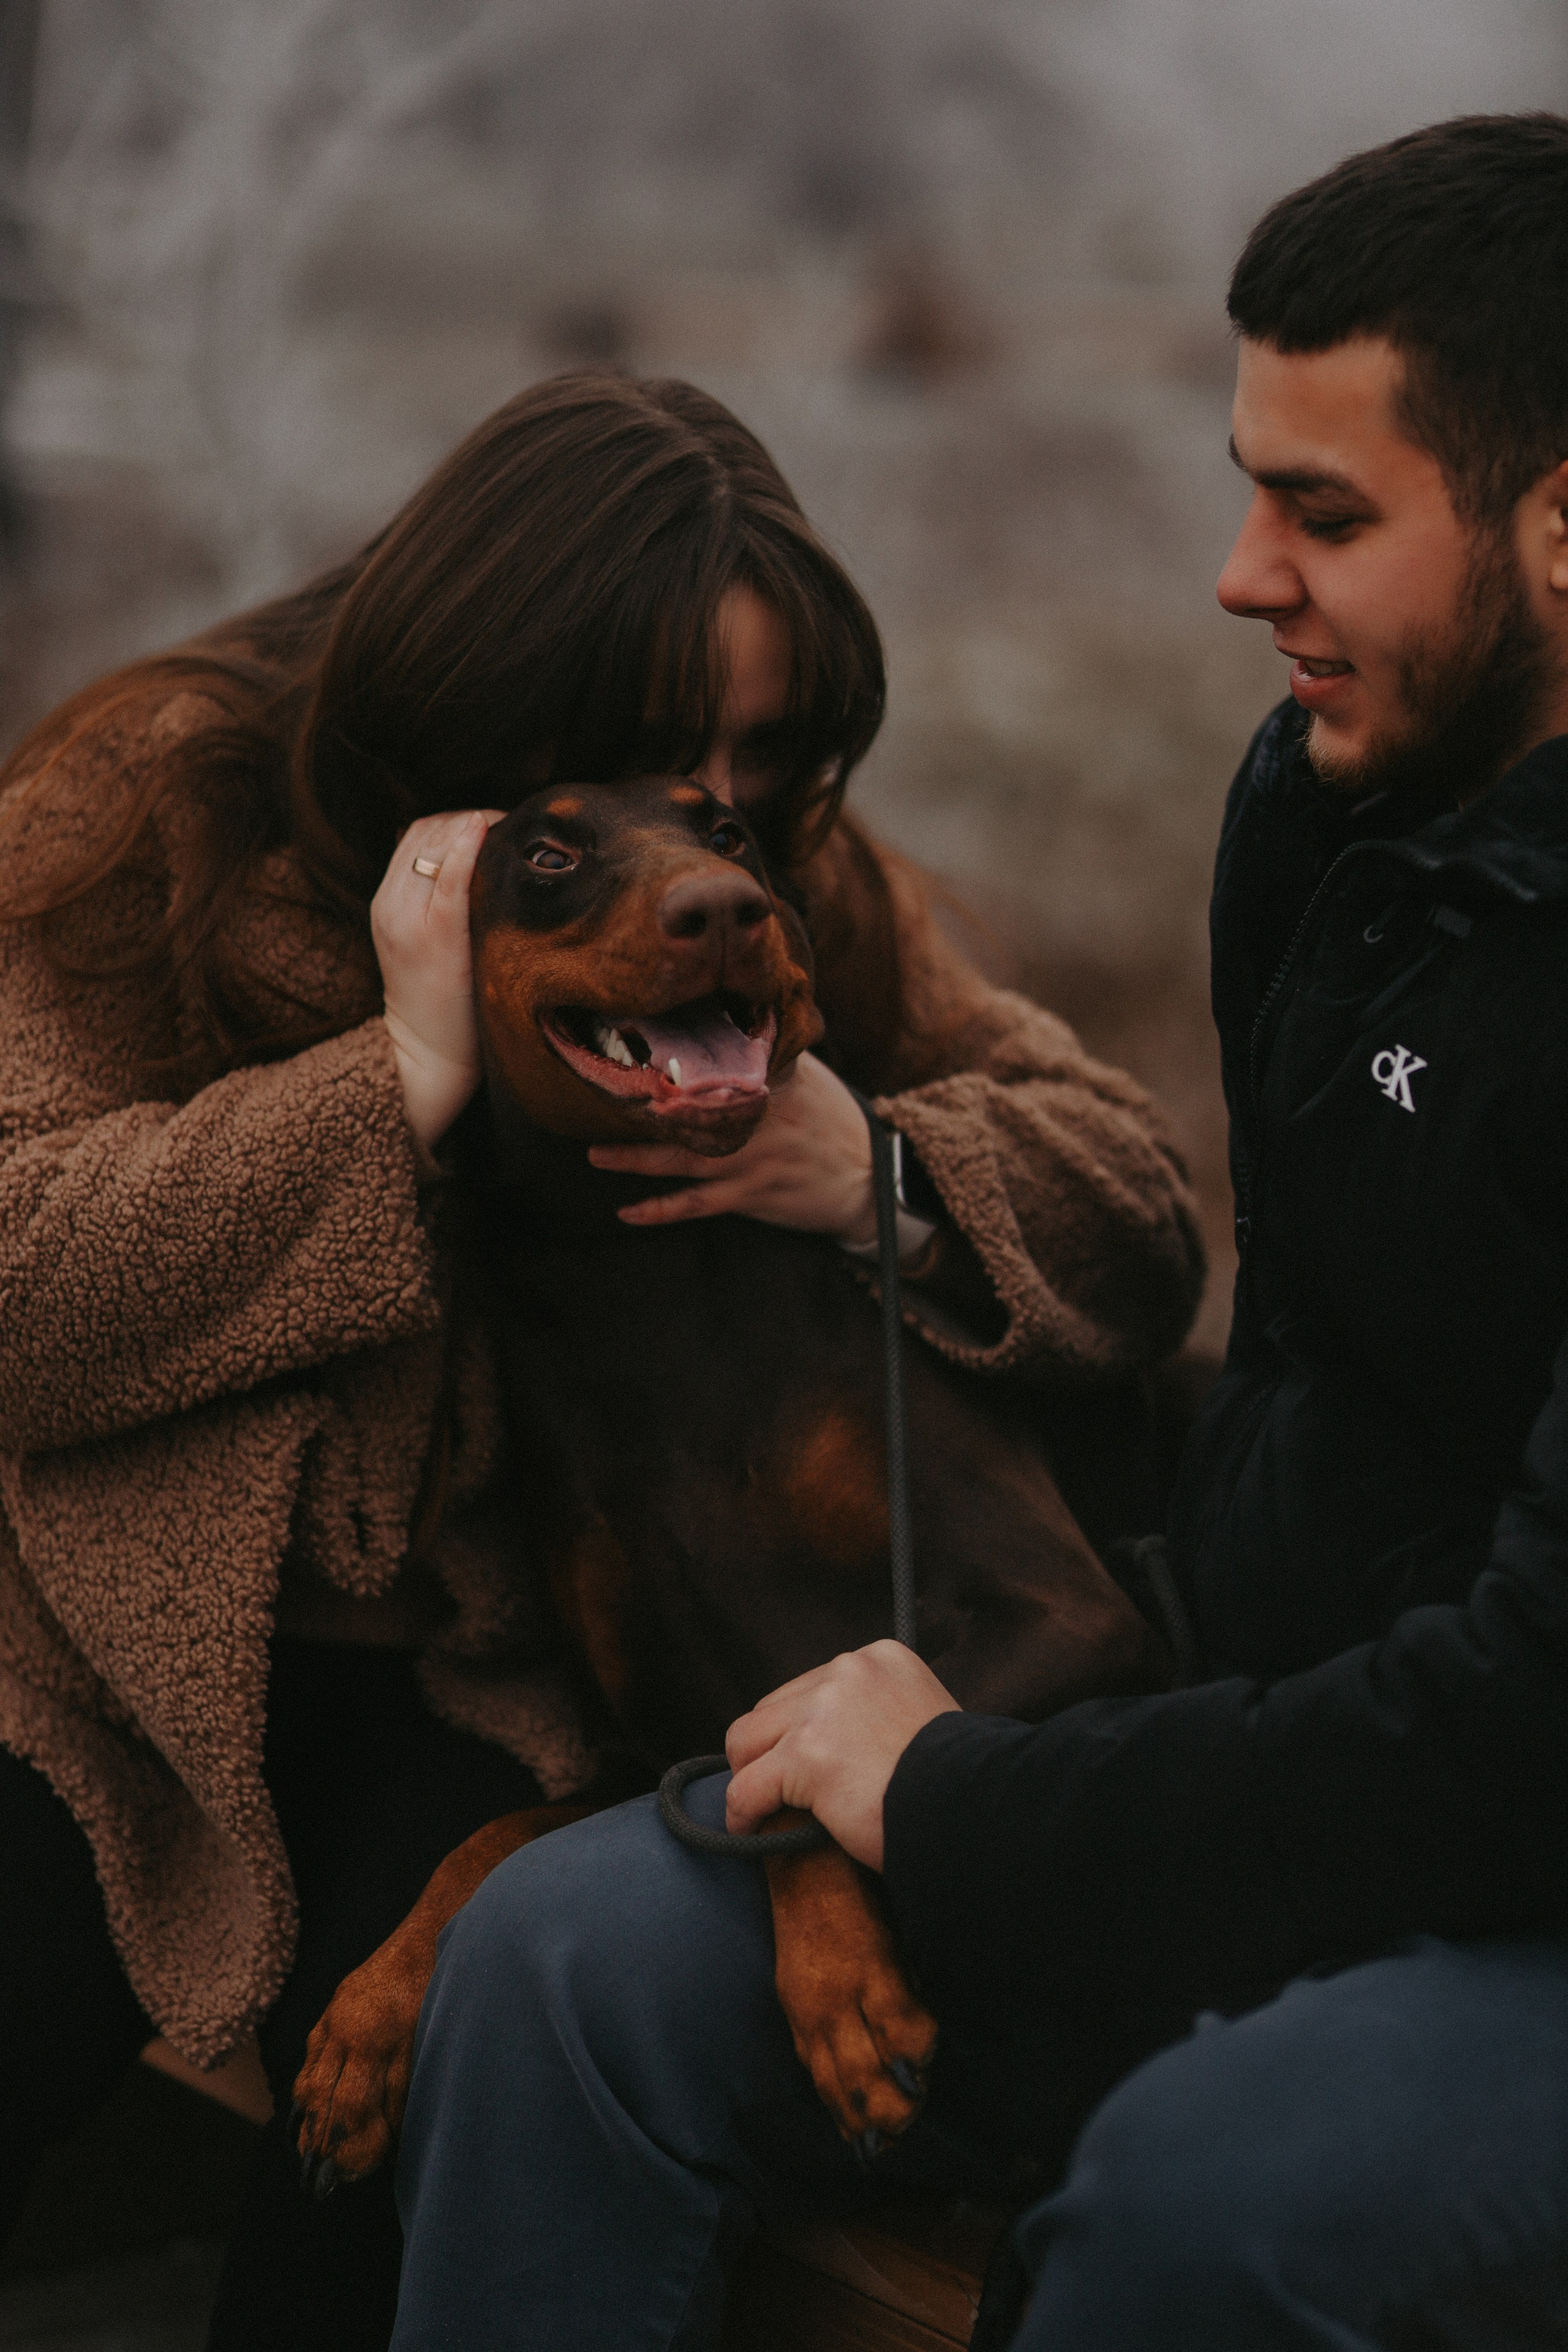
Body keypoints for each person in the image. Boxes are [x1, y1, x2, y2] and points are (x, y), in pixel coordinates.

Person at [387, 113, 1568, 2351]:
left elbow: (1533, 1721)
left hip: (1511, 1860)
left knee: (1205, 2209)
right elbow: (1300, 1392)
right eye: (1249, 484)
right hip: (1277, 1745)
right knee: (557, 1966)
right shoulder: (1335, 810)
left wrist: (977, 1806)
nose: (1240, 574)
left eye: (1323, 513)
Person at [0, 372, 1202, 2350]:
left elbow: (1137, 1201)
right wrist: (396, 1084)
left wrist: (876, 1168)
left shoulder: (738, 868)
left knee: (390, 2149)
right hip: (101, 1673)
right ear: (490, 673)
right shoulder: (172, 803)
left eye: (762, 756)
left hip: (484, 1710)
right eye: (654, 739)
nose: (714, 815)